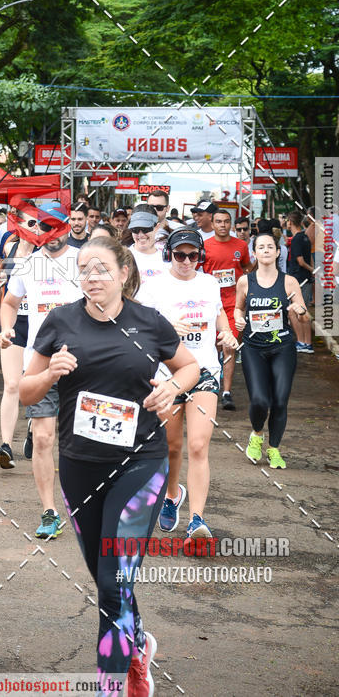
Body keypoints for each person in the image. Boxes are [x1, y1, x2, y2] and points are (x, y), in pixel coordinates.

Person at [19, 237, 200, 696]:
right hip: (80, 465)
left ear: (123, 273)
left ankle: (112, 685)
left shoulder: (148, 322)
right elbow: (24, 391)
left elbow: (190, 367)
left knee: (114, 578)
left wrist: (174, 389)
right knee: (106, 579)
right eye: (84, 269)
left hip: (142, 462)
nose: (92, 276)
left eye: (101, 268)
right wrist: (50, 373)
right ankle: (136, 642)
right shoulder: (59, 321)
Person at [139, 229, 238, 541]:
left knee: (197, 445)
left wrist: (226, 333)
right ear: (169, 253)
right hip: (168, 374)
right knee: (172, 446)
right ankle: (171, 495)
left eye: (192, 255)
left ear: (200, 257)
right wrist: (166, 327)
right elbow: (138, 325)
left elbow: (220, 314)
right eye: (179, 255)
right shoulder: (154, 285)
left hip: (205, 371)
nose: (185, 261)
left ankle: (197, 520)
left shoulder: (209, 283)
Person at [0, 203, 82, 537]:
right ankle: (50, 511)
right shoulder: (28, 264)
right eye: (43, 227)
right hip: (41, 360)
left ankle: (90, 503)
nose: (50, 234)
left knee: (83, 441)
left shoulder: (83, 261)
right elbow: (8, 302)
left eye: (56, 226)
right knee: (45, 437)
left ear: (65, 226)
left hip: (83, 361)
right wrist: (7, 328)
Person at [235, 232, 308, 469]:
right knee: (259, 400)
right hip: (253, 348)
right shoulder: (246, 281)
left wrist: (299, 309)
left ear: (278, 252)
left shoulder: (289, 282)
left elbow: (306, 318)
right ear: (254, 253)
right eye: (260, 247)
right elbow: (238, 309)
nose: (266, 250)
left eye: (270, 247)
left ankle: (274, 449)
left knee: (280, 401)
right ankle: (257, 434)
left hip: (283, 347)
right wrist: (238, 320)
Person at [0, 204, 38, 470]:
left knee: (32, 385)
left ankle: (34, 426)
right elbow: (0, 294)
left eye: (38, 224)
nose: (36, 229)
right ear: (18, 225)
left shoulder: (46, 254)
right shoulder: (8, 249)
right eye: (30, 224)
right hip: (15, 323)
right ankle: (5, 446)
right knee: (11, 384)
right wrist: (0, 328)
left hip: (41, 324)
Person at [203, 208, 251, 411]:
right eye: (219, 221)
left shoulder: (241, 245)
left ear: (230, 225)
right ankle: (211, 385)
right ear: (212, 224)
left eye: (226, 222)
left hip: (233, 306)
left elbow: (247, 267)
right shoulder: (204, 246)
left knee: (229, 346)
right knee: (211, 348)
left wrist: (244, 288)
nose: (222, 225)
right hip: (210, 305)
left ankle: (227, 392)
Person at [286, 211, 314, 353]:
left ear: (290, 222)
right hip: (305, 278)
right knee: (302, 311)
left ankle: (303, 342)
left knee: (294, 312)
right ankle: (305, 343)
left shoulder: (297, 239)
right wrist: (312, 271)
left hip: (299, 279)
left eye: (287, 220)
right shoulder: (305, 237)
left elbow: (301, 261)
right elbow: (309, 259)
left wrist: (311, 270)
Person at [128, 206, 167, 280]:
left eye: (145, 229)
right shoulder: (122, 257)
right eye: (135, 229)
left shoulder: (167, 258)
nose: (141, 235)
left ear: (157, 227)